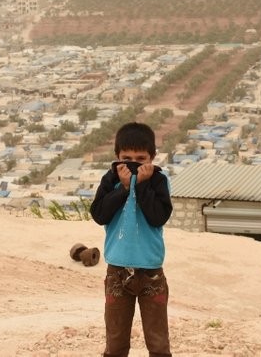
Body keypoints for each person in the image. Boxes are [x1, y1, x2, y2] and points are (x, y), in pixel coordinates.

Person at [90, 122, 173, 357]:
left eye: (140, 157)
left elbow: (158, 217)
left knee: (158, 343)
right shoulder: (110, 179)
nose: (133, 163)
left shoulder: (159, 181)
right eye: (126, 157)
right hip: (117, 269)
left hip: (151, 271)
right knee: (115, 342)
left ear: (152, 157)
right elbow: (99, 214)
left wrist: (143, 186)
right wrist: (124, 189)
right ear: (117, 156)